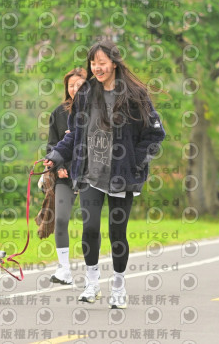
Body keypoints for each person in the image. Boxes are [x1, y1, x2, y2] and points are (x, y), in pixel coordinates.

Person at [43, 39, 165, 309]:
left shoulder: (135, 94)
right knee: (89, 229)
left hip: (122, 177)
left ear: (114, 63)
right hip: (90, 174)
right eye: (93, 63)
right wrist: (56, 156)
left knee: (117, 233)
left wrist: (136, 162)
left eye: (102, 62)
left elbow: (155, 135)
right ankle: (92, 283)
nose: (97, 68)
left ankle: (119, 287)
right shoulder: (85, 93)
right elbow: (74, 134)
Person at [47, 67, 87, 285]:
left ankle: (92, 272)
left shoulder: (98, 111)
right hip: (65, 175)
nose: (74, 89)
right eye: (71, 86)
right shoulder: (58, 113)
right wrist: (58, 166)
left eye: (79, 85)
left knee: (91, 225)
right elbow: (52, 145)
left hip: (91, 175)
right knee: (61, 219)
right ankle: (64, 269)